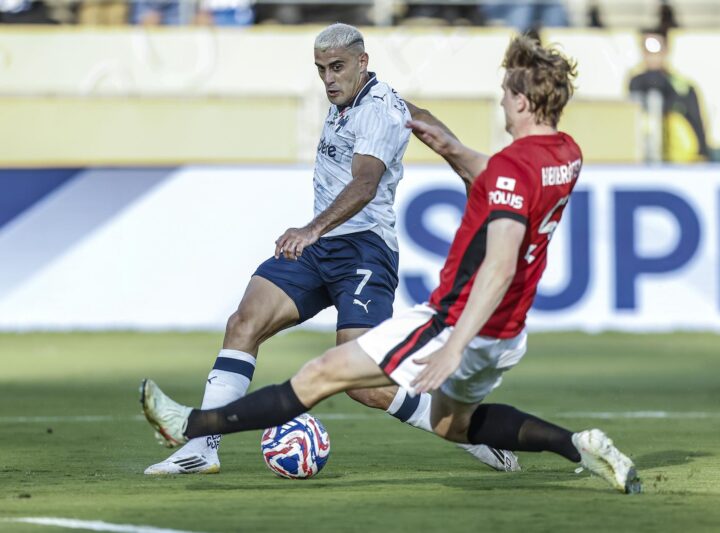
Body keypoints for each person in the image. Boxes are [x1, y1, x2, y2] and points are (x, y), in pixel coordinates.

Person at [141, 35, 641, 494]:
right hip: (491, 323)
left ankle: (189, 423)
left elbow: (485, 254)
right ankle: (576, 445)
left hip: (397, 275)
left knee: (348, 383)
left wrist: (453, 347)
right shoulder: (565, 154)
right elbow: (478, 160)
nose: (328, 78)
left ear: (524, 102)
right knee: (248, 325)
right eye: (321, 69)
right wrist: (451, 148)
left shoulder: (470, 152)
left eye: (507, 94)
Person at [628, 29, 709, 162]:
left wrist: (702, 156)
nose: (652, 55)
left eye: (656, 47)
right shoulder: (635, 83)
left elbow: (697, 126)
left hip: (679, 161)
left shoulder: (683, 87)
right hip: (644, 159)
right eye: (647, 48)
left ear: (666, 50)